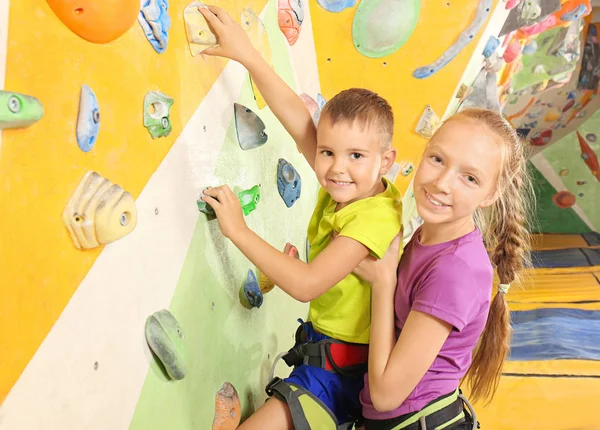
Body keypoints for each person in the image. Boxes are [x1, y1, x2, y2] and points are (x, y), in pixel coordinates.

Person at [198, 5, 403, 429]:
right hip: (321, 360)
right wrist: (249, 54)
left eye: (356, 156)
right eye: (328, 152)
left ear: (386, 161)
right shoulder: (349, 185)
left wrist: (237, 231)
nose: (335, 167)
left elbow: (307, 283)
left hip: (337, 378)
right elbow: (296, 118)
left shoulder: (375, 218)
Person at [353, 108, 533, 429]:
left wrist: (383, 284)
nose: (441, 183)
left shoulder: (455, 271)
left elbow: (386, 396)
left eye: (470, 178)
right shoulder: (429, 236)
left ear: (490, 194)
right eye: (437, 159)